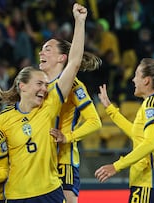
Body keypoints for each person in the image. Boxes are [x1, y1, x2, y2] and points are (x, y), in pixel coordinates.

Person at [0, 3, 87, 202]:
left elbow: (74, 63)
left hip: (50, 192)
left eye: (46, 85)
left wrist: (79, 22)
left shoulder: (49, 106)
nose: (45, 89)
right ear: (22, 86)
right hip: (16, 195)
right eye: (39, 84)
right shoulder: (1, 120)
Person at [95, 58, 154, 203]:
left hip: (148, 184)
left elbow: (150, 143)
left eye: (136, 75)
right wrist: (110, 109)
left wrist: (116, 166)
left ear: (146, 80)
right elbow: (136, 133)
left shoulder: (153, 104)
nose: (133, 80)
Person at [42, 39, 102, 203]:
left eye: (47, 49)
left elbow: (94, 121)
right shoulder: (38, 85)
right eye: (41, 50)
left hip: (63, 160)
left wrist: (67, 136)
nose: (41, 53)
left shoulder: (73, 85)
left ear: (62, 58)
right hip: (39, 158)